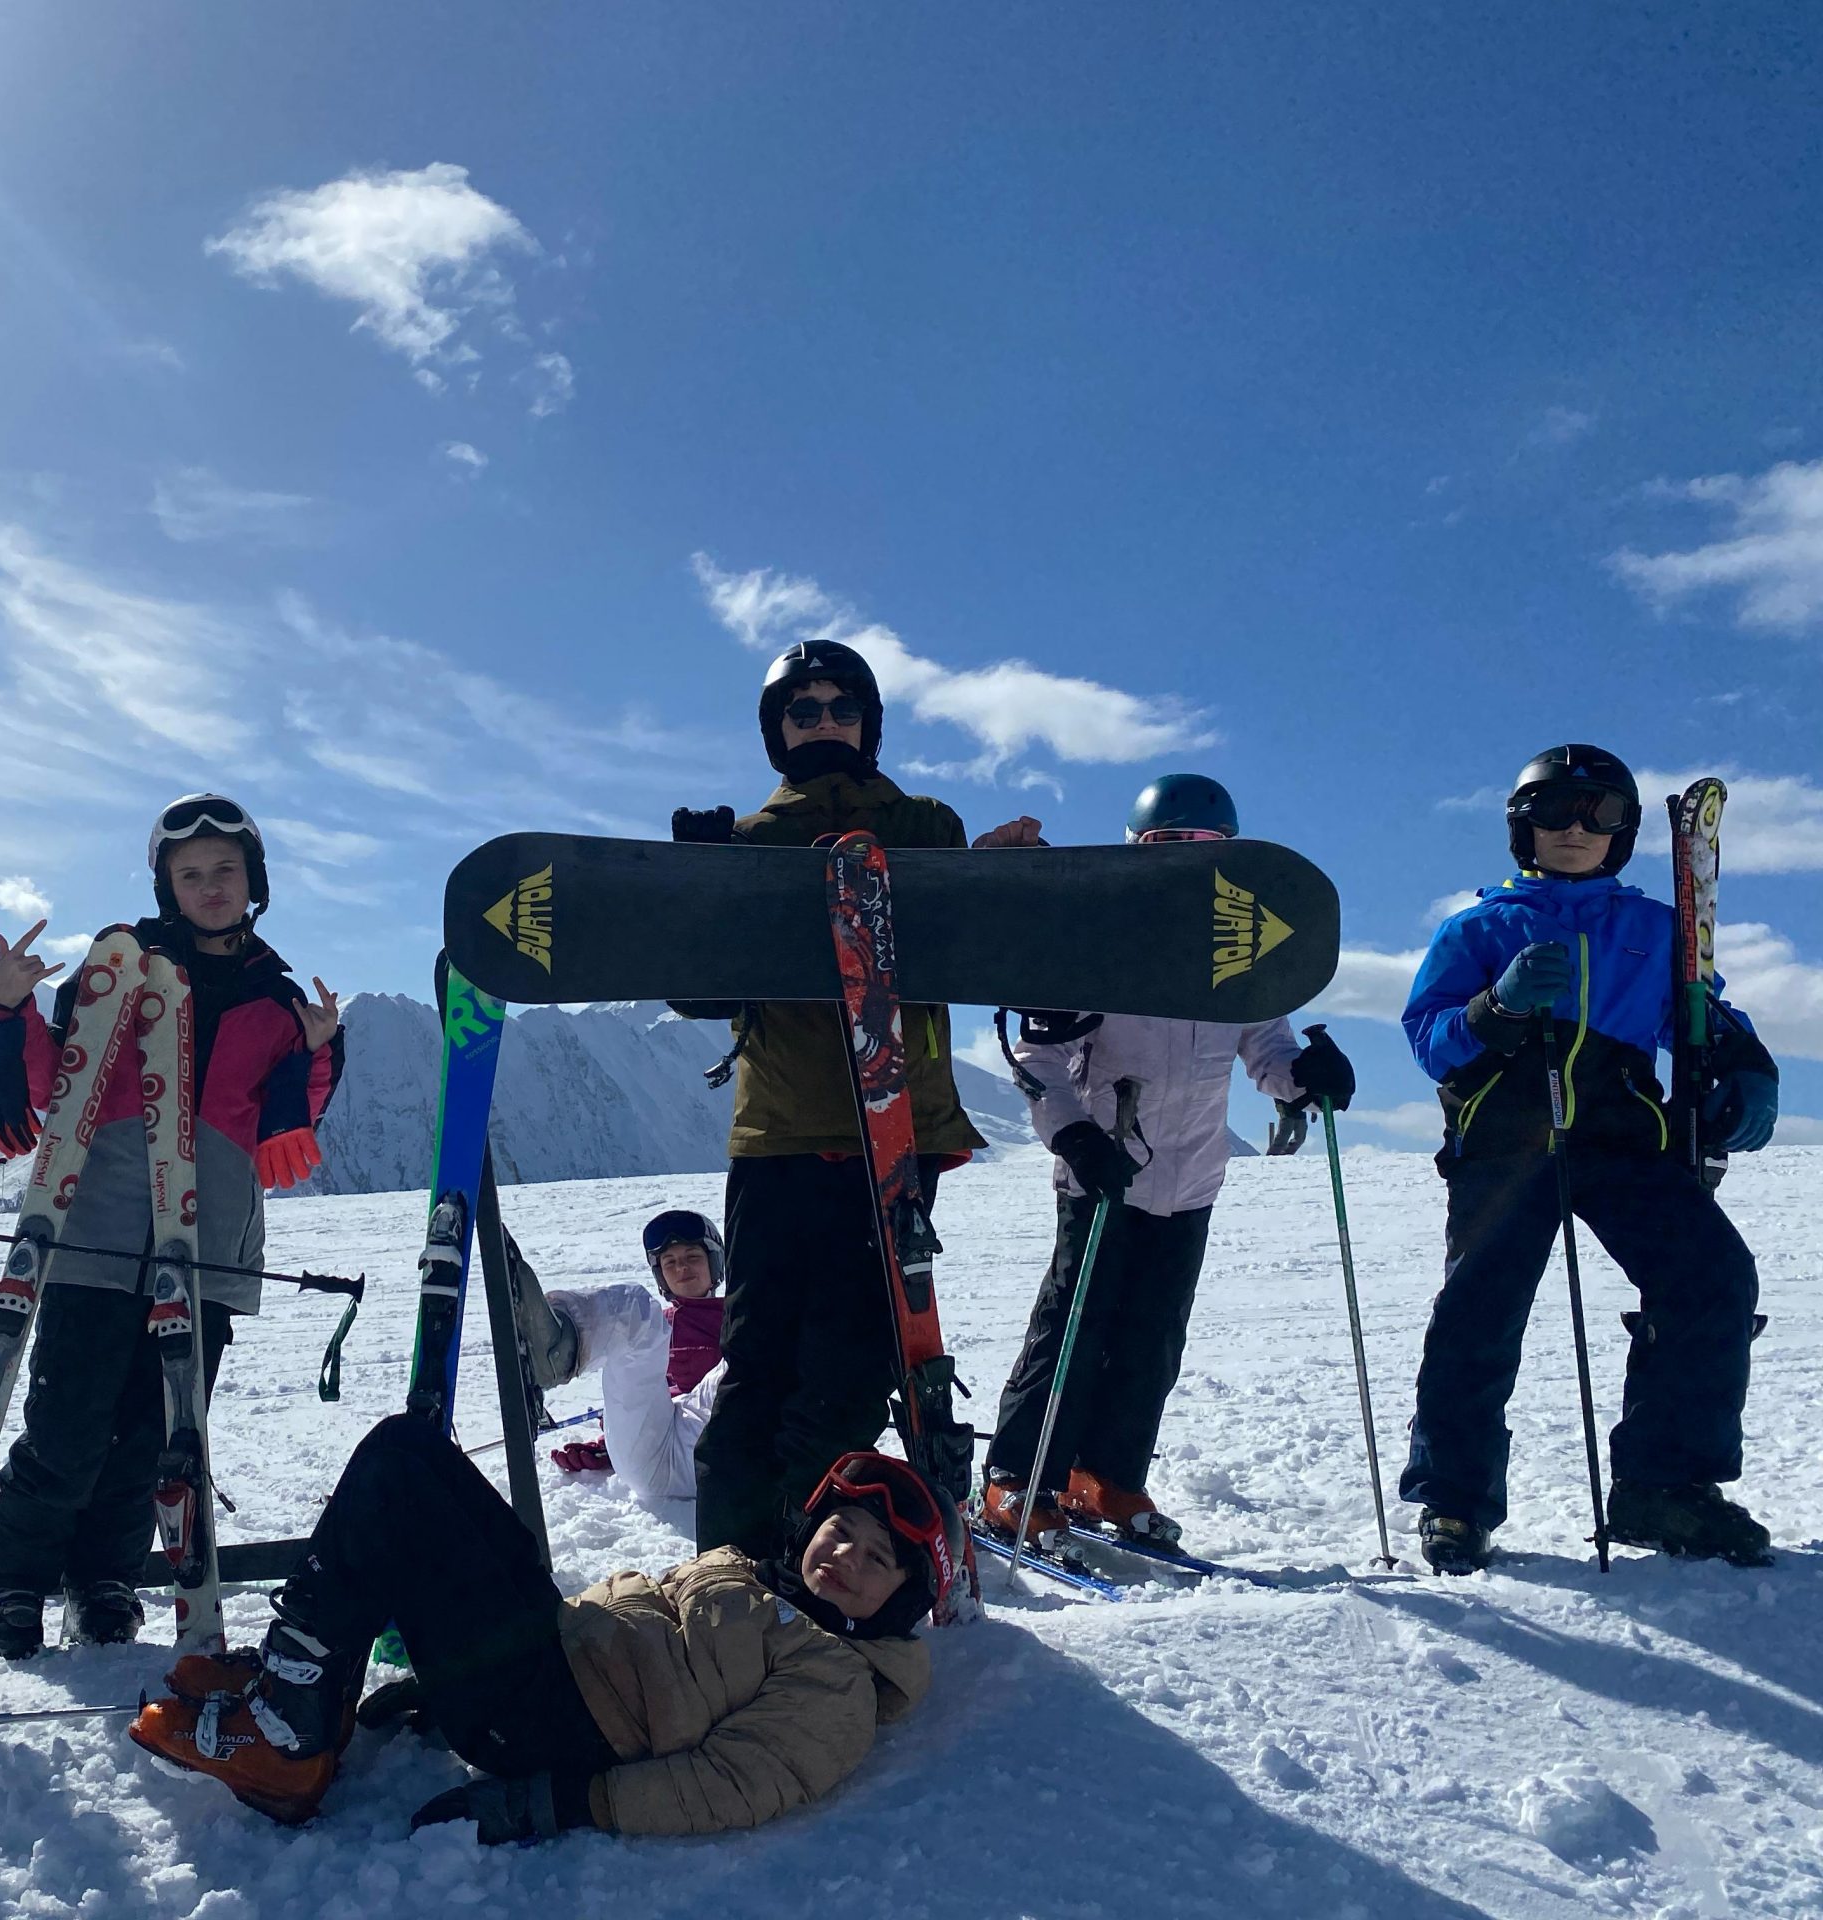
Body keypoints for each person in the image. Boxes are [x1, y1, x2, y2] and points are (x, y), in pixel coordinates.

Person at [128, 1414, 952, 1836]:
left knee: (397, 1487)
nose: (846, 1554)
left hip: (546, 1721)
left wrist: (557, 1804)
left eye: (878, 1559)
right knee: (410, 1449)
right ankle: (302, 1685)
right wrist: (458, 1661)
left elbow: (728, 1787)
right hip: (547, 1653)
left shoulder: (839, 1681)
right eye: (841, 1529)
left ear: (901, 1604)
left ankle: (285, 1740)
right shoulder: (758, 1578)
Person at [0, 794, 343, 1657]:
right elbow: (52, 1083)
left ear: (254, 880)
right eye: (191, 874)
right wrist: (10, 1008)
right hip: (95, 1228)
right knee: (66, 1424)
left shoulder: (280, 1003)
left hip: (205, 1244)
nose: (210, 887)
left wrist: (317, 1054)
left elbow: (287, 1123)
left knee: (155, 1437)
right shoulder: (119, 972)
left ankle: (105, 1577)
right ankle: (18, 1579)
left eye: (226, 871)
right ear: (167, 885)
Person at [1398, 745, 1778, 1574]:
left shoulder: (1654, 929)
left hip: (1625, 1141)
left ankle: (1663, 1487)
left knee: (1710, 1280)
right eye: (1554, 810)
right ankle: (1455, 1502)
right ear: (1520, 828)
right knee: (1478, 1313)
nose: (1575, 828)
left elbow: (1703, 1015)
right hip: (1504, 1147)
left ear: (1624, 832)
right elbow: (1429, 1038)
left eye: (1599, 813)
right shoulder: (1478, 928)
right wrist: (1494, 1008)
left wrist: (1750, 1067)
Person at [672, 639, 1014, 1557]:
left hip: (893, 1134)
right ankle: (733, 1572)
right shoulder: (748, 842)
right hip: (781, 1137)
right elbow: (700, 996)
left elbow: (986, 949)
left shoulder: (928, 827)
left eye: (839, 708)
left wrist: (1013, 879)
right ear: (776, 733)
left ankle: (820, 1573)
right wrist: (698, 887)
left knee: (850, 1367)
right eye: (802, 711)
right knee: (762, 1365)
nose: (823, 723)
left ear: (867, 724)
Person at [979, 776, 1355, 1549]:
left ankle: (1106, 1475)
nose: (1185, 863)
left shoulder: (1238, 952)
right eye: (1166, 847)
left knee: (1153, 1337)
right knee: (1073, 1328)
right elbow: (1041, 1054)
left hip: (1190, 1178)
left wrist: (1305, 1075)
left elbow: (1266, 1044)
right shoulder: (1103, 945)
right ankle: (1020, 1477)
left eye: (1203, 849)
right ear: (1136, 853)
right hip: (1103, 1171)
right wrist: (1073, 1135)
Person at [529, 1209, 726, 1499]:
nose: (681, 1268)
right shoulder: (655, 1327)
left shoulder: (737, 1318)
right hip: (656, 1452)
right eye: (670, 1262)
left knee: (760, 1337)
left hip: (717, 1441)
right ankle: (547, 1351)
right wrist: (613, 1439)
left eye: (692, 1257)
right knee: (635, 1309)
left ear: (714, 1262)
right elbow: (637, 1393)